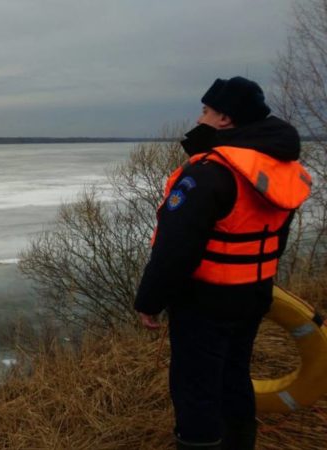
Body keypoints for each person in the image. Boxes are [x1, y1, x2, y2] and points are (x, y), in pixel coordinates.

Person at [134, 76, 312, 450]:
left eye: (205, 111)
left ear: (225, 119)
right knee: (234, 375)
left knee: (195, 386)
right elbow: (275, 239)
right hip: (253, 293)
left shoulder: (209, 174)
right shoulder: (276, 169)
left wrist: (149, 302)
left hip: (204, 302)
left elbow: (175, 250)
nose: (199, 118)